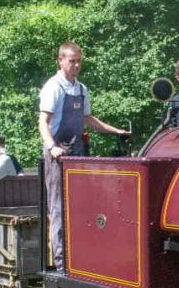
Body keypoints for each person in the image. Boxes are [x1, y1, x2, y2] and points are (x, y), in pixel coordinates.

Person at [38, 42, 128, 271]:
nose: (76, 65)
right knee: (58, 208)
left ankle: (82, 257)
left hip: (77, 154)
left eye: (79, 61)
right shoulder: (53, 87)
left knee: (82, 207)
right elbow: (43, 122)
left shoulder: (81, 89)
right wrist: (52, 147)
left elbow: (88, 119)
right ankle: (61, 263)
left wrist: (115, 131)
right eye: (72, 61)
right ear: (60, 60)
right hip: (58, 156)